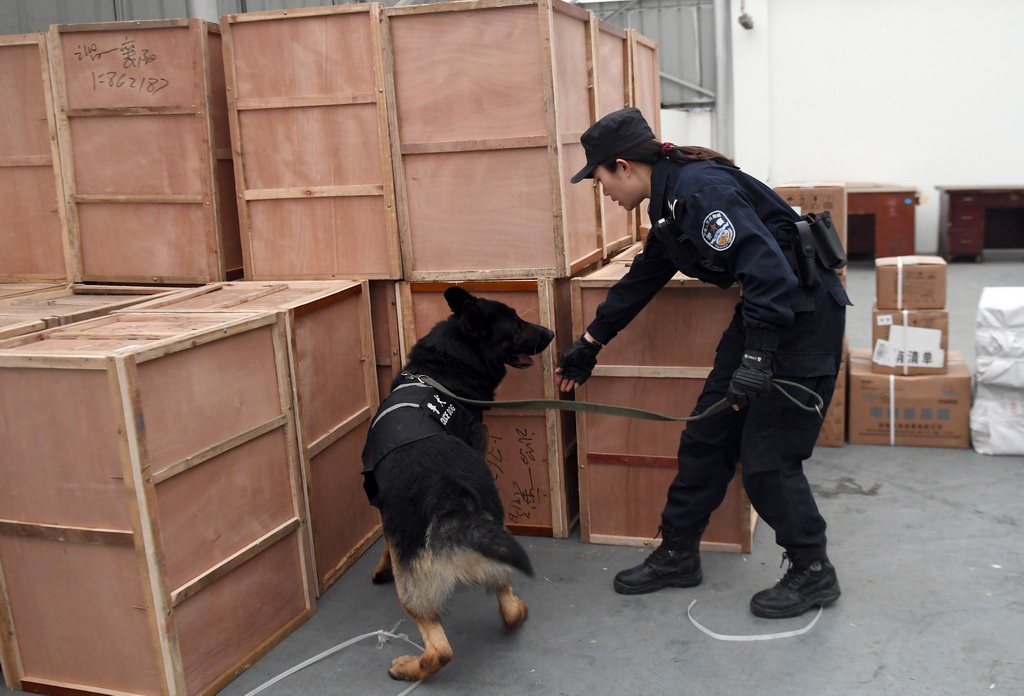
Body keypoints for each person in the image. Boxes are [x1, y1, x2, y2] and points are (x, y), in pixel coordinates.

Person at [557, 107, 850, 619]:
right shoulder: (671, 202)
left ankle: (813, 570)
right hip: (764, 316)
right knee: (706, 436)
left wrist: (756, 358)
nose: (603, 192)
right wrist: (590, 342)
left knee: (768, 459)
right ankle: (678, 554)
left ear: (623, 166)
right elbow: (644, 276)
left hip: (801, 321)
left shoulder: (699, 193)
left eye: (600, 179)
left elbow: (771, 275)